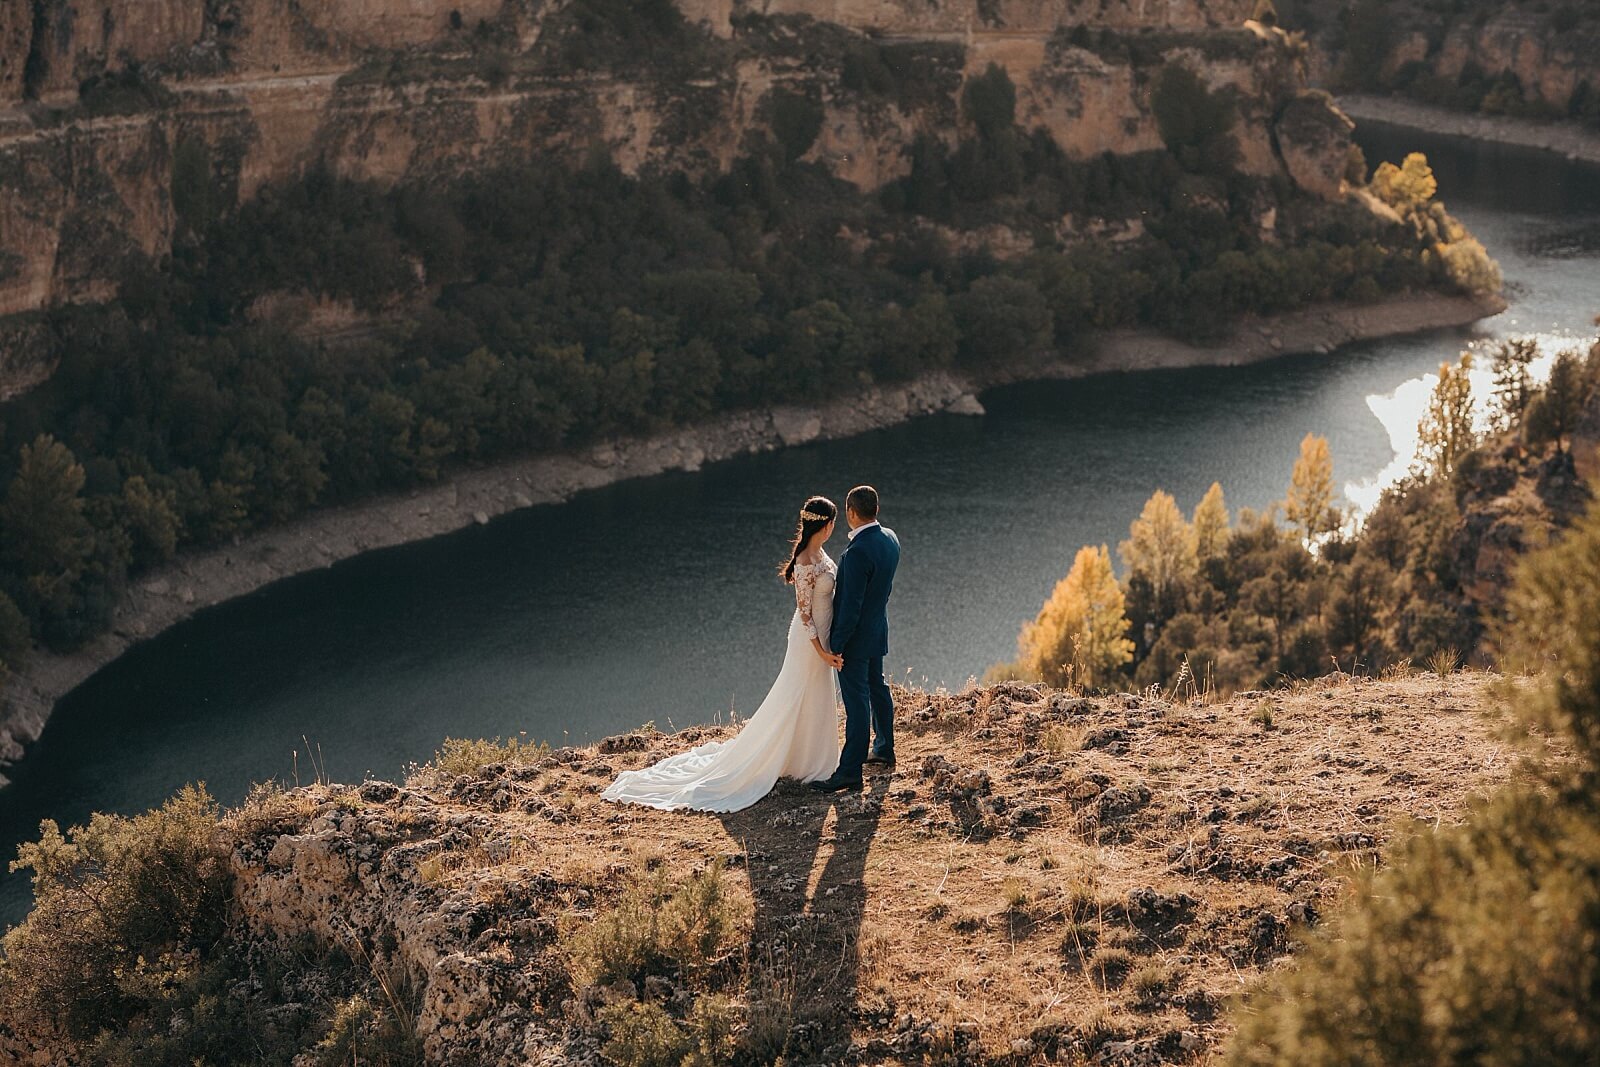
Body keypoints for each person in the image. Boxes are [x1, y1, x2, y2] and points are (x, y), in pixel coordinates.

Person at [601, 495, 844, 812]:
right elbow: (805, 614)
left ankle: (810, 760)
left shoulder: (820, 553)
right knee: (794, 695)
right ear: (826, 525)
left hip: (824, 637)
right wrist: (822, 652)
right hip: (808, 641)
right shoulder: (804, 561)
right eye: (833, 523)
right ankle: (789, 760)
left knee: (816, 694)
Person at [812, 485, 900, 793]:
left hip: (856, 640)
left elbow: (850, 607)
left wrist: (836, 645)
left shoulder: (856, 553)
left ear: (850, 512)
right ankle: (884, 748)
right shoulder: (890, 538)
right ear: (876, 509)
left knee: (857, 702)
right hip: (878, 629)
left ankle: (850, 771)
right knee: (877, 687)